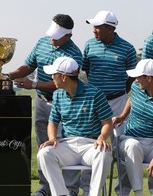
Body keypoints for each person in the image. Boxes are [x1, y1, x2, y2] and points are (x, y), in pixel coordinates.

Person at [8, 14, 83, 196]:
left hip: (65, 103)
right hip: (42, 102)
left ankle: (70, 190)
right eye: (51, 33)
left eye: (56, 36)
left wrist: (33, 84)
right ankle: (46, 188)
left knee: (67, 146)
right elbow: (28, 66)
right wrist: (5, 75)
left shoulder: (74, 54)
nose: (52, 38)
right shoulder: (42, 42)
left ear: (68, 36)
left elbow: (64, 83)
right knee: (44, 145)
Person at [38, 56, 113, 196]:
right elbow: (52, 122)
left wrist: (102, 137)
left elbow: (107, 122)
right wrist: (52, 138)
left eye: (54, 74)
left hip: (90, 145)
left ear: (64, 77)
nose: (52, 77)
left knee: (104, 155)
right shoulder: (58, 95)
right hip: (67, 145)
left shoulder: (95, 93)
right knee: (44, 154)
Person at [83, 10, 137, 195]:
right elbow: (88, 71)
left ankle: (122, 191)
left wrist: (117, 91)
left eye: (97, 27)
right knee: (91, 145)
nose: (94, 30)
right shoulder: (89, 45)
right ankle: (92, 190)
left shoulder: (127, 48)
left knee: (121, 149)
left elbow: (130, 77)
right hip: (95, 103)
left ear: (109, 28)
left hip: (118, 102)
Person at [113, 59, 153, 196]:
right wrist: (122, 116)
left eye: (138, 76)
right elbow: (132, 99)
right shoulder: (137, 87)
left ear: (149, 78)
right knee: (132, 145)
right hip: (130, 138)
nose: (135, 80)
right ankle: (139, 193)